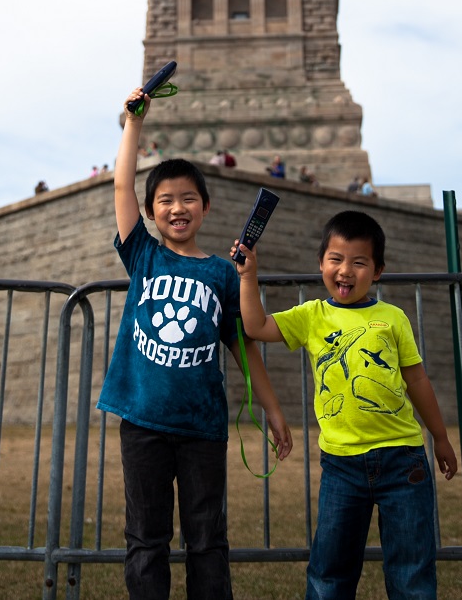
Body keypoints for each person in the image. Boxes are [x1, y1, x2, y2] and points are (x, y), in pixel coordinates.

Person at [98, 86, 292, 600]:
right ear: (150, 211)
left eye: (188, 198)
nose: (177, 207)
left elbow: (244, 348)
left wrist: (273, 409)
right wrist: (134, 122)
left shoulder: (223, 274)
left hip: (202, 428)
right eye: (165, 200)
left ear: (205, 207)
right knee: (146, 538)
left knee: (207, 541)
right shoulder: (143, 255)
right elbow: (121, 186)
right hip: (143, 422)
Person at [233, 209, 457, 600]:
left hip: (403, 459)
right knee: (330, 573)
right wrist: (248, 276)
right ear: (321, 263)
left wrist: (439, 437)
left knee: (411, 572)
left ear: (378, 271)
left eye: (359, 262)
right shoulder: (311, 316)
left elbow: (418, 380)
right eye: (336, 259)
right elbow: (255, 327)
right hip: (341, 466)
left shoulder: (393, 318)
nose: (345, 270)